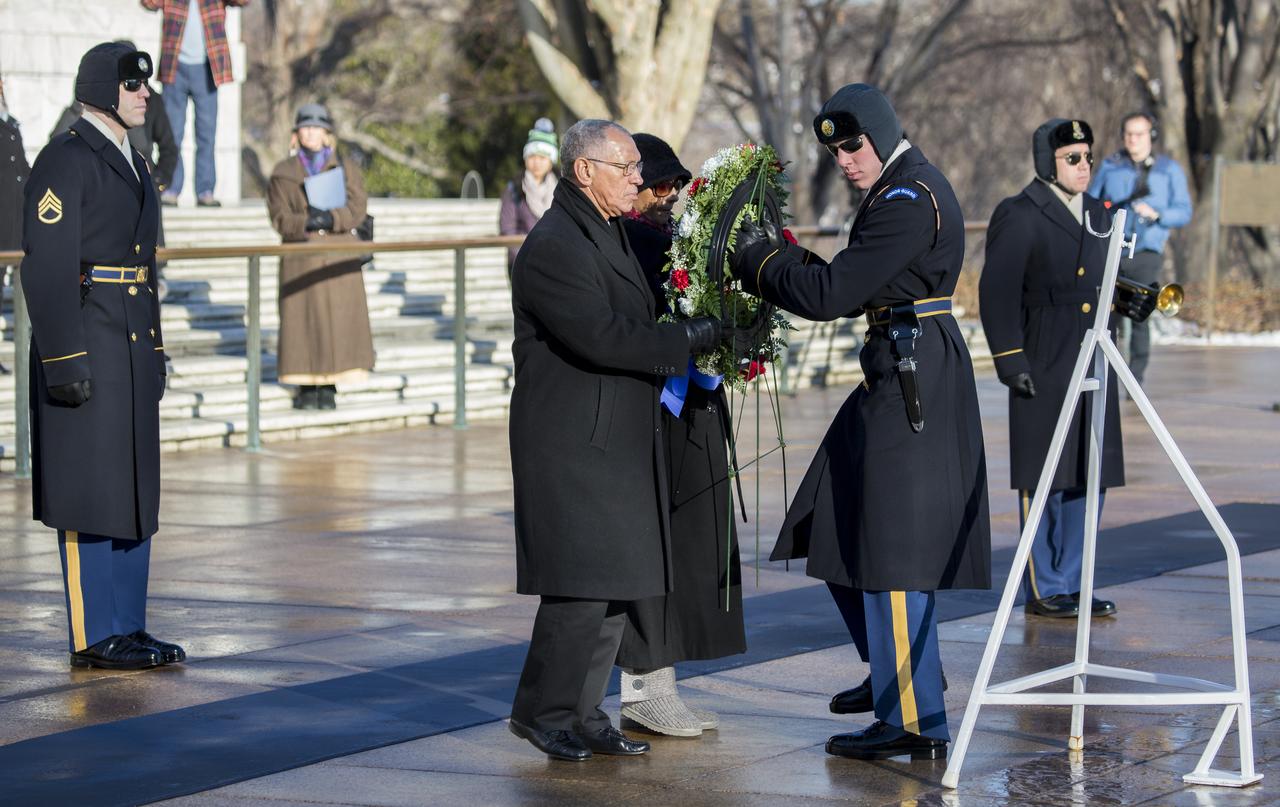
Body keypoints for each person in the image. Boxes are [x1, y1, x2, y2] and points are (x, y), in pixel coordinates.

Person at [729, 83, 990, 761]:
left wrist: (754, 259)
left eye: (853, 144)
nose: (844, 159)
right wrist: (779, 253)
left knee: (892, 545)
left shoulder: (906, 198)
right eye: (835, 150)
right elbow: (850, 279)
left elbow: (833, 294)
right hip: (897, 363)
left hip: (910, 376)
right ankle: (891, 670)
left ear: (880, 134)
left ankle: (912, 715)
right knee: (833, 512)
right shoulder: (900, 188)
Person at [507, 118, 722, 761]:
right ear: (585, 171)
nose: (638, 179)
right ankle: (542, 713)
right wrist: (687, 341)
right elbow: (600, 335)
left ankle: (582, 711)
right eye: (625, 167)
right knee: (578, 585)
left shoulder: (603, 229)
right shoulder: (553, 245)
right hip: (573, 438)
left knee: (612, 584)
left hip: (612, 435)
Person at [21, 42, 181, 670]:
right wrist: (64, 359)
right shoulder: (66, 158)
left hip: (132, 341)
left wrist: (158, 351)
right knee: (91, 488)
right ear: (100, 91)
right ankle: (95, 634)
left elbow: (142, 269)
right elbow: (49, 267)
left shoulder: (133, 159)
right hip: (89, 337)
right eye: (133, 86)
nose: (146, 95)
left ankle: (130, 625)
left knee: (133, 485)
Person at [981, 118, 1146, 620]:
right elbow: (997, 292)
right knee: (1045, 474)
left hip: (1093, 352)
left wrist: (1129, 300)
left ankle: (1074, 580)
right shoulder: (1019, 213)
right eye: (1072, 158)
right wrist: (1010, 360)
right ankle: (1045, 582)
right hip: (1044, 353)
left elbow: (1100, 281)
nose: (1084, 166)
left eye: (1088, 157)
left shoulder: (1100, 214)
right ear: (1046, 162)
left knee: (1086, 473)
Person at [616, 133, 745, 737]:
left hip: (693, 402)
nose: (668, 196)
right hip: (657, 407)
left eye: (674, 185)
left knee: (693, 546)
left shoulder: (671, 237)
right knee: (662, 546)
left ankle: (661, 684)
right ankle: (645, 686)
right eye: (656, 186)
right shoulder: (633, 241)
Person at [266, 103, 374, 411]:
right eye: (305, 127)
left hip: (339, 255)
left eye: (317, 128)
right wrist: (306, 222)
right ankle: (305, 385)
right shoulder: (283, 172)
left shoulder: (346, 167)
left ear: (327, 134)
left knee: (337, 322)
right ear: (296, 133)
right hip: (301, 253)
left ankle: (330, 385)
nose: (311, 133)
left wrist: (332, 219)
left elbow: (358, 207)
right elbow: (278, 217)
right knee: (303, 323)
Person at [1088, 112, 1192, 386]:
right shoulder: (1111, 167)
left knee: (1139, 313)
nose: (1133, 140)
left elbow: (1184, 211)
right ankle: (1109, 372)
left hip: (1146, 251)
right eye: (1128, 134)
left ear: (1151, 136)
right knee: (1111, 314)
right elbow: (1092, 204)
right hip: (1111, 250)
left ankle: (1135, 379)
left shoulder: (1168, 170)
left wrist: (1158, 215)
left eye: (1140, 134)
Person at [141, 0, 250, 206]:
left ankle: (205, 190)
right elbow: (148, 3)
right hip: (175, 67)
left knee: (206, 134)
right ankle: (171, 187)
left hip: (207, 68)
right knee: (173, 132)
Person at [498, 117, 558, 272]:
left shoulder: (561, 188)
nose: (537, 162)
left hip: (556, 261)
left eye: (542, 157)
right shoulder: (515, 188)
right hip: (522, 263)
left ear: (551, 160)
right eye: (532, 156)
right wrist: (525, 258)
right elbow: (507, 228)